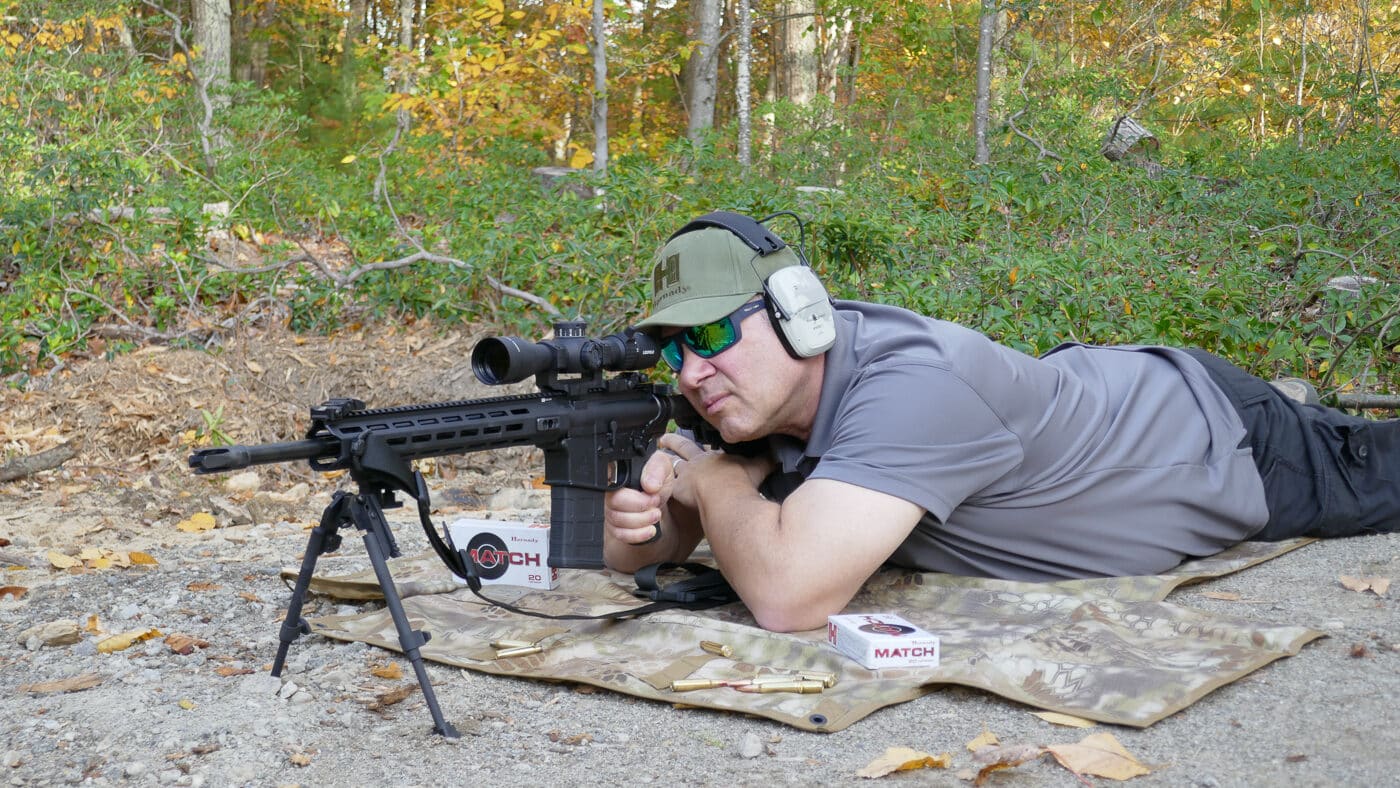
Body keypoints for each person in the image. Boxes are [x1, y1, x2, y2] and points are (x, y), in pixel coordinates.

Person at [601, 211, 1400, 632]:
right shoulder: (747, 401)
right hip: (1101, 390)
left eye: (710, 336)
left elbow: (788, 597)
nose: (692, 372)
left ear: (799, 315)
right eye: (673, 352)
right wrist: (657, 507)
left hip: (1221, 437)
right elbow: (630, 551)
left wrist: (714, 479)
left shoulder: (912, 386)